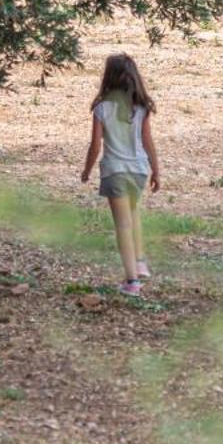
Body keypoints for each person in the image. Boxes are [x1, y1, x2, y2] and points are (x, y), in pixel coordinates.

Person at [78, 53, 160, 296]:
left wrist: (87, 169)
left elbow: (95, 146)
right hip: (138, 171)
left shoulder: (102, 109)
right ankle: (140, 260)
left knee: (122, 225)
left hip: (115, 171)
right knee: (134, 214)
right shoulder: (141, 108)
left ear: (108, 78)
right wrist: (156, 170)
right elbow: (148, 141)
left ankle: (132, 281)